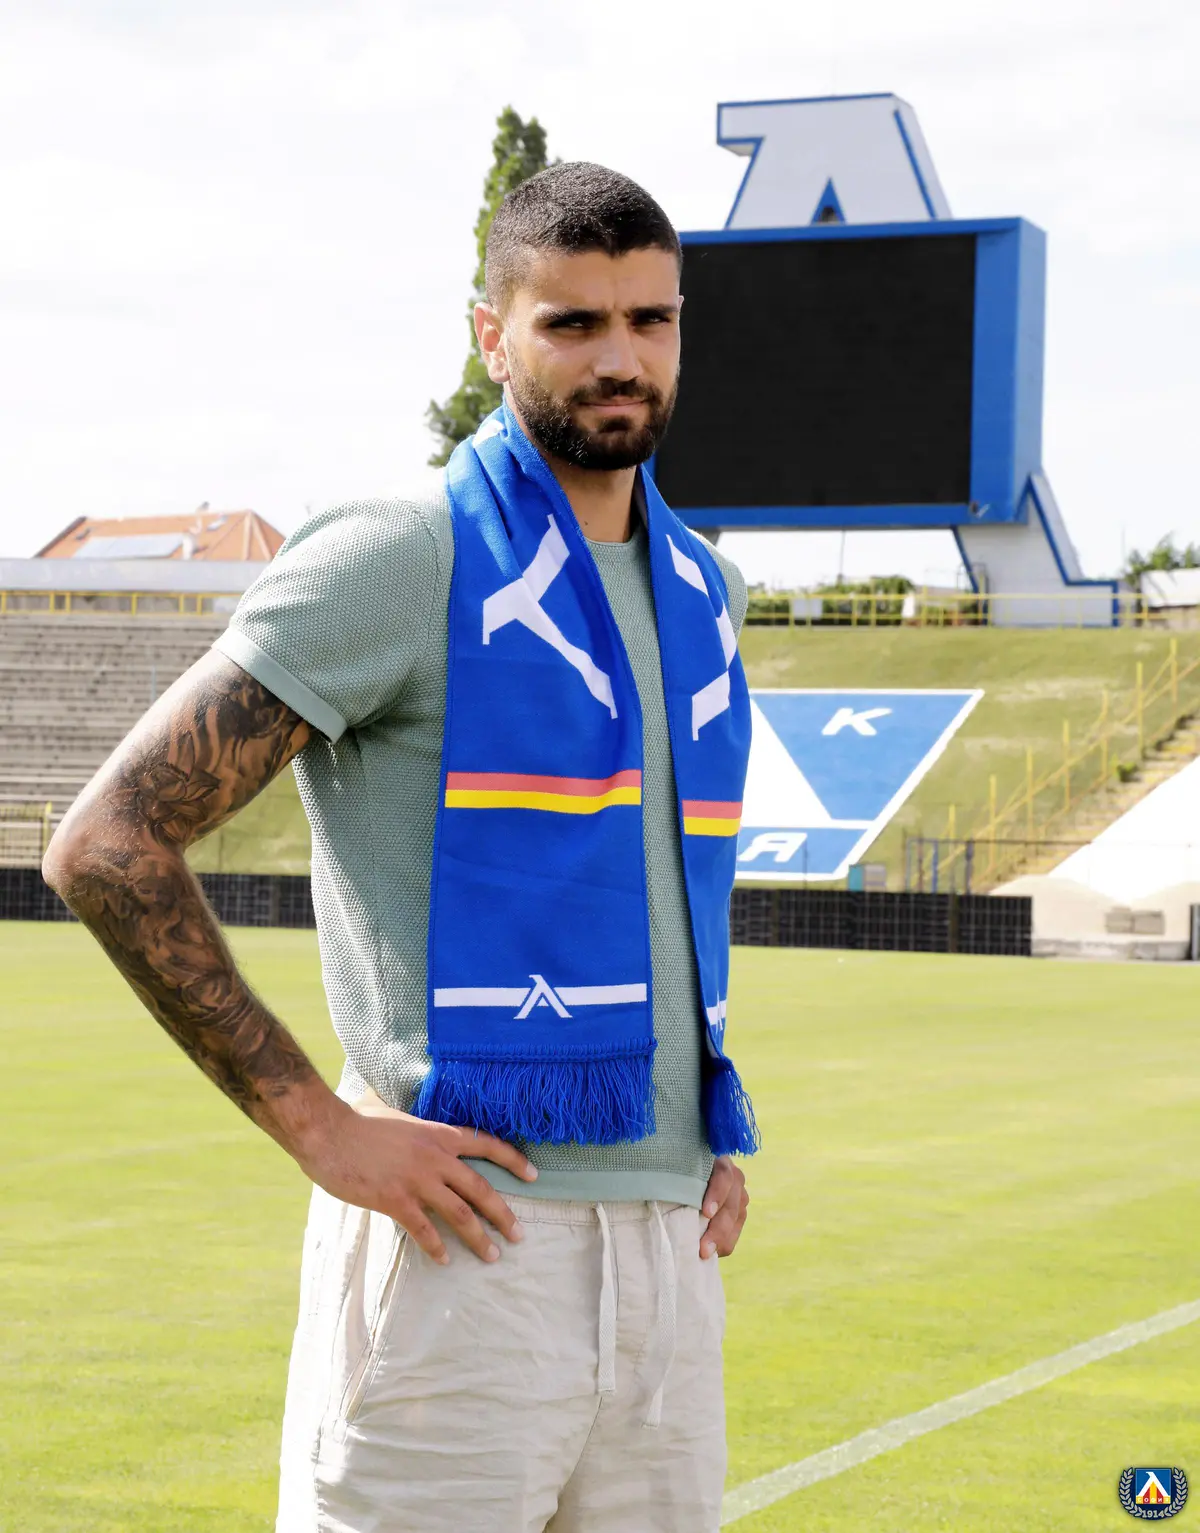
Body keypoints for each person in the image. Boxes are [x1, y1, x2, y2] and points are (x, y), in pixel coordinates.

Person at [44, 161, 758, 1533]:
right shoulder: (403, 555)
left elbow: (658, 893)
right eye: (571, 322)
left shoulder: (702, 590)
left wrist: (698, 1134)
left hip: (674, 1261)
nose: (619, 357)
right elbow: (108, 841)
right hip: (463, 1260)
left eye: (650, 319)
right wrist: (317, 1126)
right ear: (491, 335)